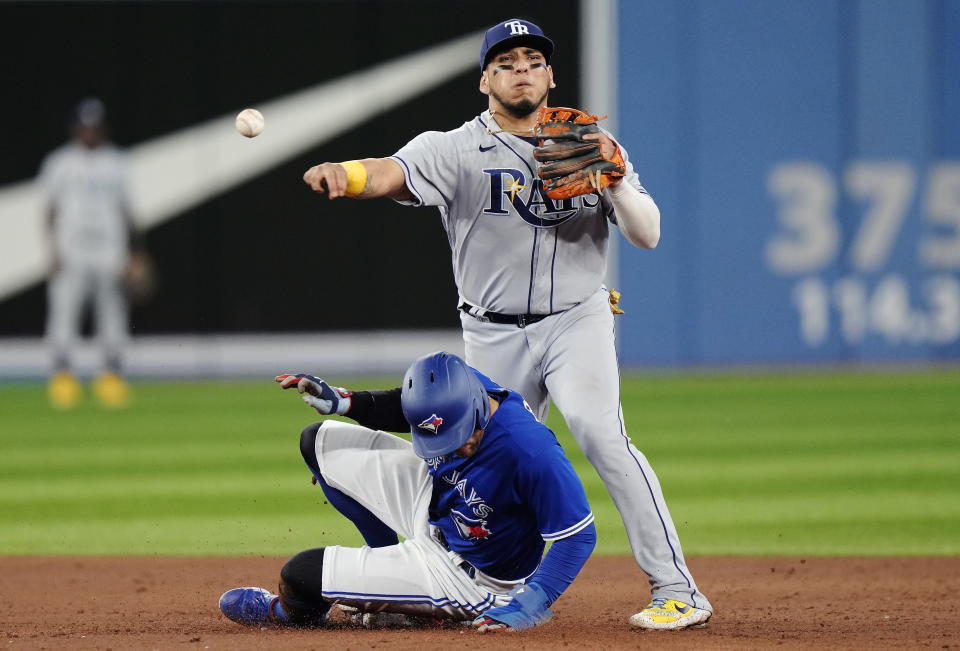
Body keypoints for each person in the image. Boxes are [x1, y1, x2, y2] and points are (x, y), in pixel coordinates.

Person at [300, 18, 712, 630]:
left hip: (578, 321)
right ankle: (460, 583)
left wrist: (616, 175)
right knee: (467, 461)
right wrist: (346, 175)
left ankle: (676, 589)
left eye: (532, 59)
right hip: (491, 332)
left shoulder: (589, 141)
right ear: (486, 79)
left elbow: (648, 233)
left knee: (601, 436)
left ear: (550, 75)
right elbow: (388, 172)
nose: (522, 68)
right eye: (507, 60)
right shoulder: (455, 149)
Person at [219, 351, 596, 632]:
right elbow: (415, 409)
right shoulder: (464, 386)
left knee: (301, 574)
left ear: (479, 408)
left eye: (459, 437)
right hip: (437, 507)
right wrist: (347, 403)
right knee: (318, 441)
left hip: (473, 578)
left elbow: (578, 535)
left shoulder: (532, 452)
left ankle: (288, 614)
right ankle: (389, 574)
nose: (452, 447)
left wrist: (529, 605)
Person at [39, 98, 147, 408]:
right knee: (64, 314)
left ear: (102, 128)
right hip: (71, 250)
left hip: (109, 251)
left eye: (94, 127)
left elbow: (128, 212)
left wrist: (137, 252)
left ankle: (110, 377)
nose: (89, 132)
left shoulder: (116, 162)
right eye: (84, 126)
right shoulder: (59, 162)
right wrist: (51, 250)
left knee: (112, 315)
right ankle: (62, 377)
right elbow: (49, 211)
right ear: (75, 128)